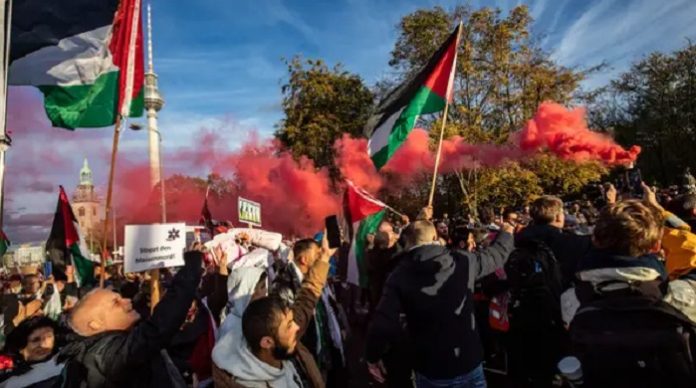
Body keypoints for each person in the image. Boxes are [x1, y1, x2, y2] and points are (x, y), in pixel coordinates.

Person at [365, 218, 515, 388]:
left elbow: (383, 321)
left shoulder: (399, 275)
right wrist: (507, 233)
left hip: (432, 367)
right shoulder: (462, 261)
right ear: (435, 236)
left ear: (407, 242)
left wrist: (372, 356)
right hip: (468, 362)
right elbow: (496, 255)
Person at [55, 250, 203, 388]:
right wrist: (191, 267)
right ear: (95, 324)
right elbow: (159, 327)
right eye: (115, 303)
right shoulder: (103, 355)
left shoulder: (102, 350)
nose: (127, 302)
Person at [212, 239, 334, 388]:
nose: (297, 327)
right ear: (267, 342)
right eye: (289, 325)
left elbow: (305, 302)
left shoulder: (278, 338)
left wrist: (325, 257)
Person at [272, 239, 347, 386]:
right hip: (305, 360)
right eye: (317, 253)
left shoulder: (318, 277)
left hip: (323, 354)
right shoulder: (283, 285)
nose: (320, 256)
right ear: (304, 259)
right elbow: (294, 328)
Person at [0, 317, 63, 388]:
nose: (43, 345)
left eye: (49, 337)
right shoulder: (10, 379)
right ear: (21, 347)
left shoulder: (66, 364)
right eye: (35, 340)